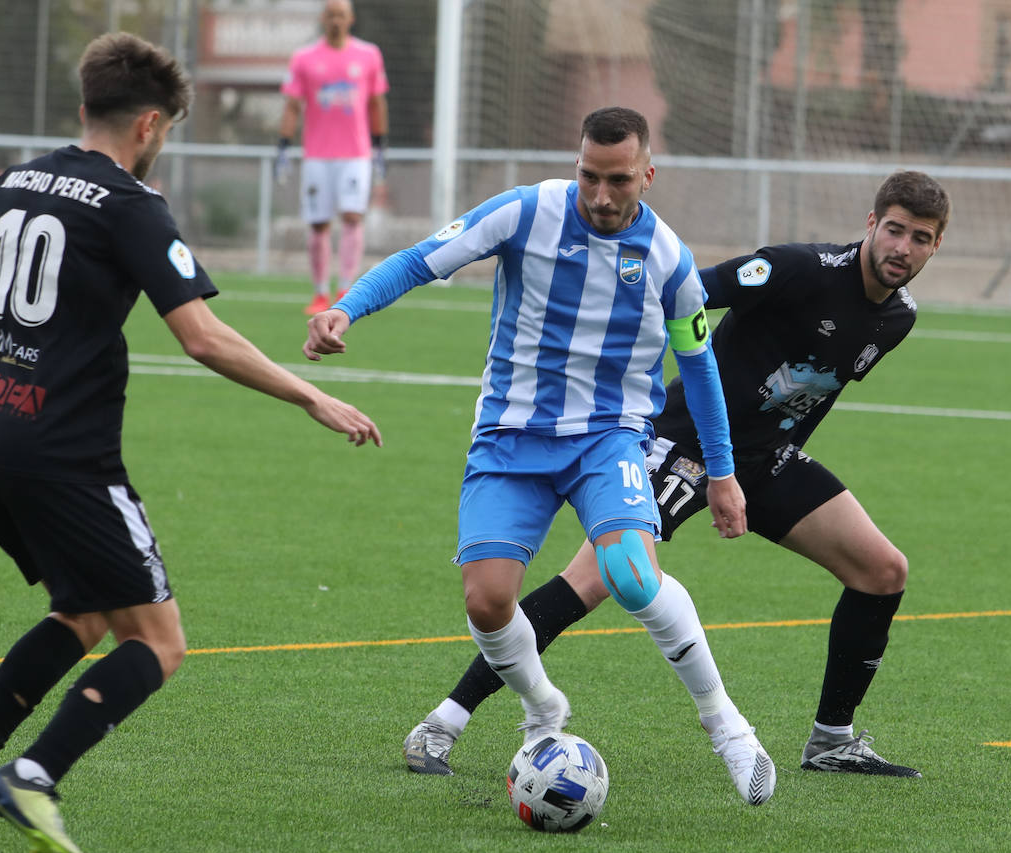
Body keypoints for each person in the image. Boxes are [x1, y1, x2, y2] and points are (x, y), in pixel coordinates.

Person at [0, 32, 381, 853]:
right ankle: (33, 776)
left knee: (83, 612)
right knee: (158, 641)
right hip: (61, 454)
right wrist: (311, 395)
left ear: (86, 108)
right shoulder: (130, 205)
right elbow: (201, 336)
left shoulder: (7, 186)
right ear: (150, 125)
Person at [403, 170, 949, 780]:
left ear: (936, 245)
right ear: (872, 224)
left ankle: (832, 741)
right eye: (894, 230)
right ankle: (443, 722)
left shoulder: (897, 318)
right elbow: (686, 291)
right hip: (683, 444)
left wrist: (753, 473)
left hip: (764, 463)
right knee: (595, 580)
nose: (903, 248)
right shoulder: (799, 269)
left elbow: (806, 400)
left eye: (920, 238)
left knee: (883, 572)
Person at [304, 106, 777, 805]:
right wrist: (349, 307)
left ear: (647, 174)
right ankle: (544, 710)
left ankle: (728, 728)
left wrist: (724, 474)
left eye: (618, 180)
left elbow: (699, 367)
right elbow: (420, 260)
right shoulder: (526, 212)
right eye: (590, 175)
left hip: (607, 437)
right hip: (510, 437)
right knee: (488, 600)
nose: (601, 195)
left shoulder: (671, 261)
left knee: (629, 573)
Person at [277, 0, 390, 316]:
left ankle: (345, 288)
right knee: (318, 224)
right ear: (323, 19)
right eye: (330, 15)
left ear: (351, 18)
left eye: (341, 14)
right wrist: (283, 145)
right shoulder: (304, 58)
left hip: (356, 154)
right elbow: (292, 104)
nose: (336, 20)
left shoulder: (368, 55)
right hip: (317, 155)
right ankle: (319, 293)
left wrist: (380, 144)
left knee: (353, 216)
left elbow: (377, 103)